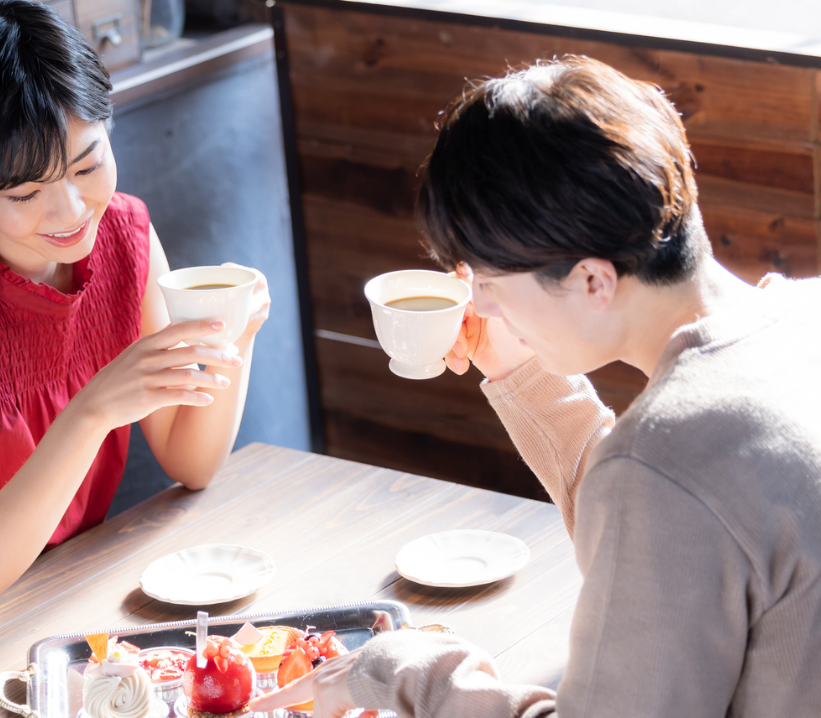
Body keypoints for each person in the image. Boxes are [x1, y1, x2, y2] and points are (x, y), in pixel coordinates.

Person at [251, 56, 821, 717]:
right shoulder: (802, 317)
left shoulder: (661, 467)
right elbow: (668, 529)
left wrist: (411, 674)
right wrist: (522, 370)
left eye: (491, 283)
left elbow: (663, 492)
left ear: (592, 280)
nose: (479, 305)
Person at [0, 0, 269, 648]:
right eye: (25, 192)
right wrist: (92, 411)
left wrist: (236, 336)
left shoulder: (125, 234)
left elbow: (190, 461)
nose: (72, 209)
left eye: (88, 164)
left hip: (59, 597)